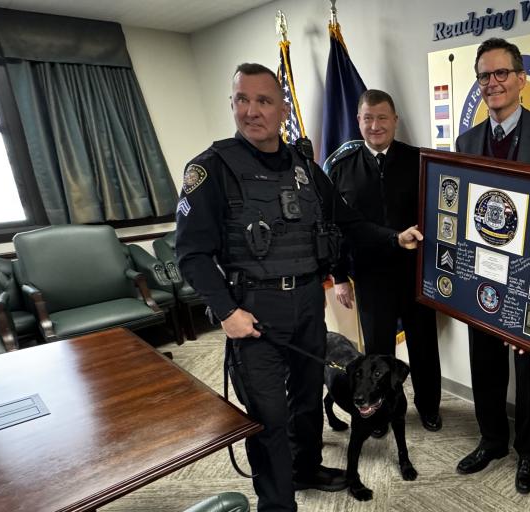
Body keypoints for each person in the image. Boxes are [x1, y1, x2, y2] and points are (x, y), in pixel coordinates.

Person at [175, 63, 422, 512]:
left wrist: (394, 237)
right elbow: (190, 254)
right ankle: (278, 504)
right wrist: (226, 312)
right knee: (268, 419)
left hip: (309, 302)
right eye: (242, 100)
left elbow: (349, 222)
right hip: (253, 314)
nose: (252, 111)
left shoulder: (306, 168)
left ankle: (306, 469)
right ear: (232, 105)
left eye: (264, 101)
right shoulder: (211, 170)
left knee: (308, 399)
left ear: (283, 109)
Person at [454, 37, 530, 495]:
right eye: (484, 76)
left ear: (521, 79)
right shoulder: (466, 140)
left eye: (501, 73)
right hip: (481, 273)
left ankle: (528, 451)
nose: (492, 83)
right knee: (483, 360)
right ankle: (493, 440)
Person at [325, 89, 443, 433]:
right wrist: (340, 276)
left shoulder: (420, 160)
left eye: (382, 118)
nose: (375, 125)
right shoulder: (341, 168)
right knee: (376, 355)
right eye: (367, 118)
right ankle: (378, 413)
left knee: (423, 346)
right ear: (358, 121)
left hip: (416, 272)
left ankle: (428, 407)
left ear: (395, 121)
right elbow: (335, 228)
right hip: (371, 275)